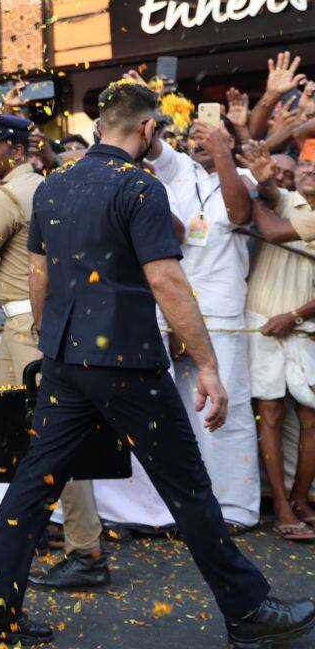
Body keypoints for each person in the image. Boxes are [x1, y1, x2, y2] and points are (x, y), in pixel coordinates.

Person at [0, 81, 315, 648]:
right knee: (190, 489)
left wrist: (51, 343)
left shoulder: (53, 187)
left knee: (32, 485)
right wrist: (208, 366)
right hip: (125, 361)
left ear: (101, 127)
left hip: (64, 358)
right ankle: (248, 611)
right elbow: (167, 280)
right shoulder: (141, 188)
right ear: (148, 130)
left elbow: (39, 276)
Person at [0, 112, 109, 589]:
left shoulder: (7, 195)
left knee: (52, 438)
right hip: (34, 322)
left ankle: (86, 551)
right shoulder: (47, 183)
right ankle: (38, 534)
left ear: (15, 149)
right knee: (20, 436)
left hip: (28, 326)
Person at [146, 119, 260, 532]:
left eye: (210, 136)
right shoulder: (179, 171)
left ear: (229, 142)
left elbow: (239, 212)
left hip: (223, 311)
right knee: (181, 412)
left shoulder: (243, 176)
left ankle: (234, 509)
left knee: (225, 411)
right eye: (196, 137)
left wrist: (224, 153)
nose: (200, 143)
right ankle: (187, 508)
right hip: (174, 310)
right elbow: (154, 148)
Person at [242, 142, 315, 541]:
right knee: (269, 411)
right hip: (262, 320)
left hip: (302, 327)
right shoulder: (286, 199)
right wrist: (263, 182)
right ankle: (283, 506)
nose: (307, 171)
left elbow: (269, 228)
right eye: (304, 164)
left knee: (310, 416)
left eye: (314, 166)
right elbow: (273, 194)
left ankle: (301, 499)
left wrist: (296, 316)